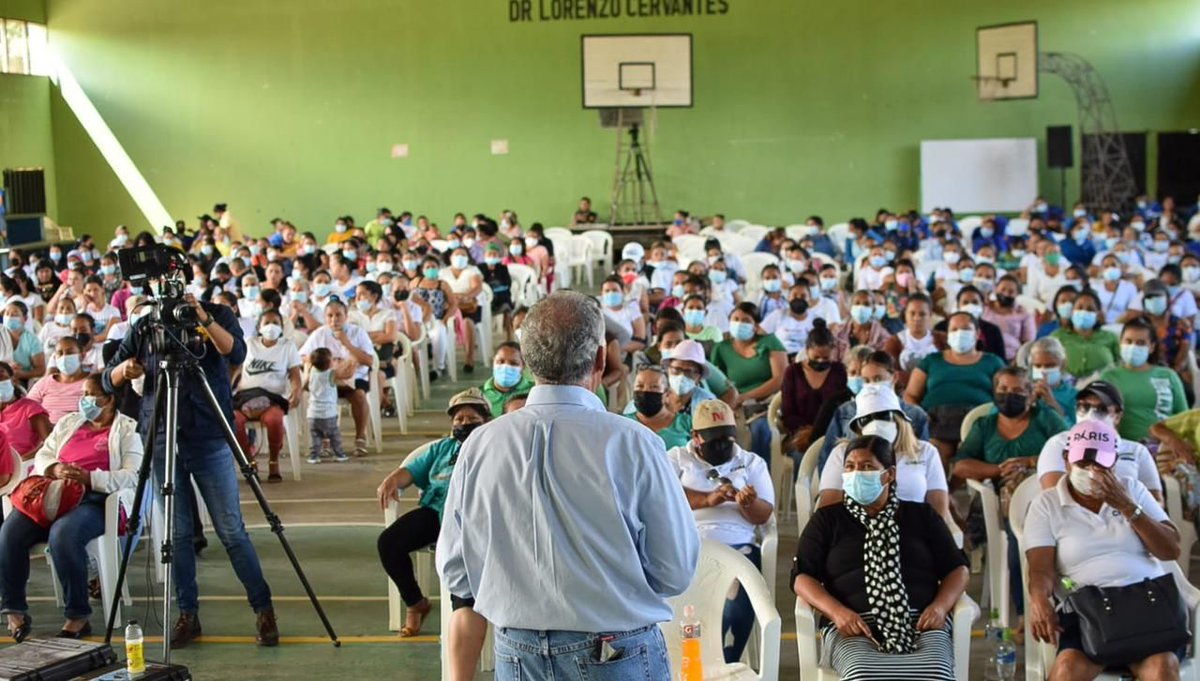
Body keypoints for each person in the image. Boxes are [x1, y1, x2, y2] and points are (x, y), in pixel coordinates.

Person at [437, 291, 699, 679]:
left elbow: (457, 570)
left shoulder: (481, 444)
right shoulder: (633, 442)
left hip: (516, 650)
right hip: (612, 649)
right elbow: (673, 571)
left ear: (526, 362)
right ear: (599, 359)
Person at [104, 290, 278, 648]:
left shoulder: (215, 315)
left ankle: (263, 609)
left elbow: (238, 353)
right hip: (161, 436)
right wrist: (125, 370)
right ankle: (188, 615)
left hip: (208, 432)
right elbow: (108, 378)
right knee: (178, 534)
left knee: (231, 530)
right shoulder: (146, 325)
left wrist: (202, 317)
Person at [792, 435, 969, 681]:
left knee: (935, 671)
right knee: (862, 674)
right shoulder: (827, 520)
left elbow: (957, 569)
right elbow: (802, 577)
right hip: (853, 626)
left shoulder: (921, 515)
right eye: (850, 467)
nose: (856, 474)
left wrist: (940, 607)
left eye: (867, 467)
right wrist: (837, 613)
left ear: (890, 474)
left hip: (919, 623)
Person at [1026, 419, 1183, 681]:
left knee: (1163, 667)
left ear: (1113, 463)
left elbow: (1171, 550)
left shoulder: (1132, 489)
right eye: (1082, 464)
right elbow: (1041, 568)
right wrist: (1039, 599)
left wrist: (1126, 506)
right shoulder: (1047, 504)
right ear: (1066, 460)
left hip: (1146, 605)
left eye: (1099, 464)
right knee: (1066, 670)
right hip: (1088, 612)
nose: (1091, 471)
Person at [0, 376, 141, 641]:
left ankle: (77, 616)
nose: (84, 401)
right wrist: (55, 468)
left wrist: (90, 478)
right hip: (54, 494)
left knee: (63, 535)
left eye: (92, 395)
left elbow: (132, 476)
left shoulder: (126, 431)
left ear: (110, 399)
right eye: (83, 394)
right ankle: (14, 611)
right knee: (10, 533)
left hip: (95, 500)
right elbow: (44, 453)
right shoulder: (69, 423)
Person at [377, 388, 491, 637]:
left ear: (486, 421)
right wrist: (394, 479)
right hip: (436, 512)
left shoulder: (491, 446)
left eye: (472, 418)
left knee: (460, 562)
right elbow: (410, 472)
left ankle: (459, 624)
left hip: (473, 518)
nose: (464, 423)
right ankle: (416, 603)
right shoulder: (441, 449)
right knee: (388, 543)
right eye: (459, 419)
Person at [666, 399, 774, 663]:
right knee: (675, 610)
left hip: (737, 547)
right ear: (696, 437)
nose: (723, 445)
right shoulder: (677, 458)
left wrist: (749, 503)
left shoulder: (750, 463)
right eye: (714, 440)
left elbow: (764, 515)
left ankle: (726, 664)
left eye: (728, 438)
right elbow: (662, 496)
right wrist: (706, 500)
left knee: (735, 608)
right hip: (687, 546)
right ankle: (684, 664)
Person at [818, 385, 949, 521]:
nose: (875, 423)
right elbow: (828, 507)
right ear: (858, 426)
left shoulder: (926, 452)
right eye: (866, 419)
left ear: (898, 419)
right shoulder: (842, 453)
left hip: (914, 529)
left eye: (883, 416)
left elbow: (938, 508)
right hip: (855, 529)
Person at [905, 311, 1006, 466]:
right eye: (954, 329)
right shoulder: (931, 361)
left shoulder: (993, 362)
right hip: (936, 421)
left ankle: (956, 486)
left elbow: (1003, 395)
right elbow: (910, 395)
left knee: (967, 457)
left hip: (977, 422)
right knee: (935, 454)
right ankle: (940, 489)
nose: (960, 333)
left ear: (977, 333)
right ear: (947, 334)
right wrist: (921, 414)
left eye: (966, 329)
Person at [1037, 381, 1162, 500]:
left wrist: (1124, 508)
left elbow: (1156, 502)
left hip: (1126, 518)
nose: (1090, 414)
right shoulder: (1059, 443)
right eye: (1084, 407)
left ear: (1117, 416)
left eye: (1101, 409)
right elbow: (1054, 495)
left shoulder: (1137, 451)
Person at [820, 350, 930, 470]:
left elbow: (922, 458)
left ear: (894, 377)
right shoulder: (845, 411)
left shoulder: (915, 415)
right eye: (866, 381)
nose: (872, 385)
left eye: (878, 379)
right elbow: (827, 457)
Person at [711, 302, 787, 466]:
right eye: (735, 319)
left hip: (767, 404)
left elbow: (779, 379)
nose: (739, 323)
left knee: (761, 429)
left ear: (756, 325)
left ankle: (758, 474)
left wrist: (746, 396)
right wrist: (732, 401)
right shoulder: (721, 348)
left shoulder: (769, 342)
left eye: (745, 320)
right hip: (734, 405)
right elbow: (717, 381)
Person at [299, 299, 376, 457]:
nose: (334, 320)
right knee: (321, 397)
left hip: (354, 378)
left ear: (346, 315)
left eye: (338, 315)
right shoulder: (320, 333)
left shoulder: (357, 332)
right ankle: (324, 440)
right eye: (330, 316)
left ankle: (360, 437)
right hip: (328, 379)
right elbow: (302, 356)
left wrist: (346, 343)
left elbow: (369, 360)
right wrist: (328, 362)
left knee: (360, 396)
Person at [233, 310, 301, 482]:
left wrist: (296, 390)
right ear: (259, 326)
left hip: (273, 398)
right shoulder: (249, 344)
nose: (271, 326)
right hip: (245, 396)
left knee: (274, 420)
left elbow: (294, 374)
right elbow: (235, 369)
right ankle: (249, 461)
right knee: (234, 421)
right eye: (267, 322)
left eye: (276, 322)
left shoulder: (287, 346)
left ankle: (274, 461)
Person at [1100, 317, 1187, 442]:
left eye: (1140, 343)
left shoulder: (1168, 375)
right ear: (1120, 343)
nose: (1133, 347)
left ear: (1151, 347)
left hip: (1164, 449)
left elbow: (1184, 417)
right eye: (1128, 341)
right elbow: (1100, 419)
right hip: (1123, 449)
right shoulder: (1108, 377)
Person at [781, 319, 846, 454]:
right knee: (802, 456)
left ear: (833, 352)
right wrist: (809, 431)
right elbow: (788, 412)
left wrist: (824, 431)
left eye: (825, 357)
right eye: (816, 357)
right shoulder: (793, 372)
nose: (821, 361)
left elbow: (842, 406)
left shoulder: (839, 371)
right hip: (799, 434)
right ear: (807, 350)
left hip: (831, 433)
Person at [1051, 289, 1120, 379]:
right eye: (1079, 308)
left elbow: (1121, 367)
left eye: (1090, 309)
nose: (1084, 312)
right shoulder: (1057, 337)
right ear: (1072, 312)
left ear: (1098, 314)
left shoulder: (1111, 337)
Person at [628, 365, 693, 449]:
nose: (646, 391)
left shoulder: (687, 423)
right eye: (640, 386)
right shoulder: (623, 422)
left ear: (667, 394)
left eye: (654, 387)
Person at [27, 337, 89, 424]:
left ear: (82, 356)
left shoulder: (91, 383)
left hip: (79, 433)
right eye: (60, 353)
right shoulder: (43, 383)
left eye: (70, 352)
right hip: (46, 434)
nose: (64, 357)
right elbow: (27, 409)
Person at [983, 275, 1036, 361]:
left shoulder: (1024, 315)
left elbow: (1028, 344)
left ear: (1017, 294)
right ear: (996, 289)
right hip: (986, 356)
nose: (1006, 294)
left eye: (1011, 291)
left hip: (1012, 358)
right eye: (1003, 289)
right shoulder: (985, 308)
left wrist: (1017, 360)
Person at [1027, 336, 1076, 423]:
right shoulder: (1023, 391)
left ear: (1063, 364)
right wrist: (1029, 403)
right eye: (1038, 366)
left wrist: (1052, 403)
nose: (1043, 371)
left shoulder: (1074, 396)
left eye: (1050, 366)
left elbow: (1075, 431)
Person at [480, 342, 533, 417]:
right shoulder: (480, 395)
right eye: (500, 361)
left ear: (523, 366)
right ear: (493, 362)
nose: (505, 367)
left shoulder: (533, 391)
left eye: (513, 363)